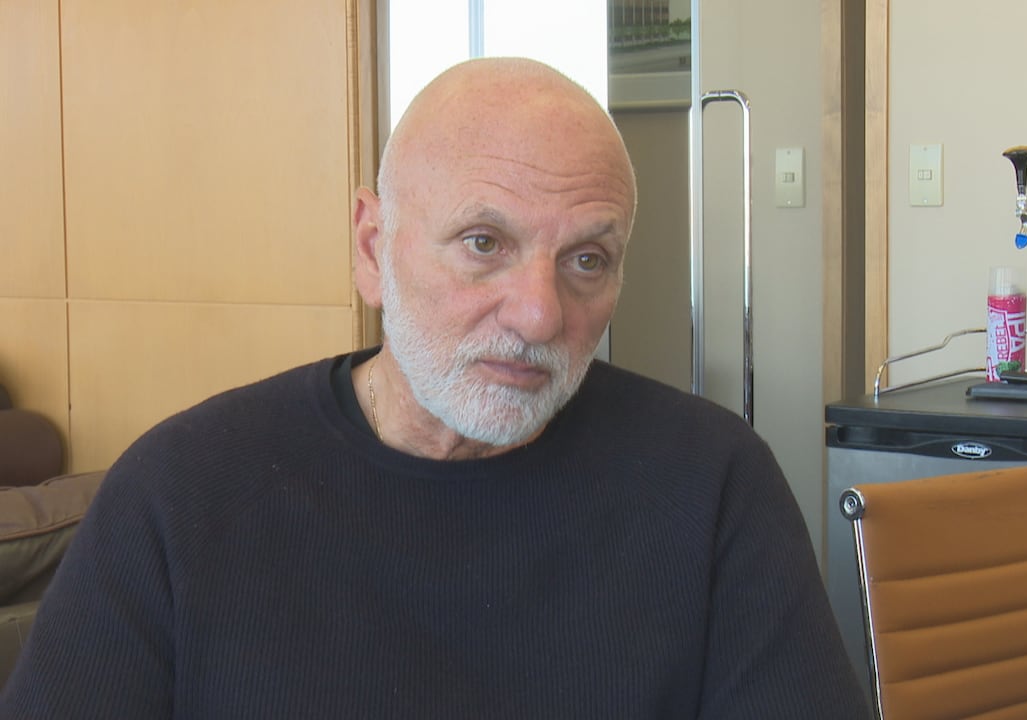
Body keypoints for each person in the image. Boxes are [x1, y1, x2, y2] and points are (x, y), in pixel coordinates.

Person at [0, 57, 866, 719]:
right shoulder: (181, 492)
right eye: (484, 243)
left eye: (586, 259)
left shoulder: (711, 484)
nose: (539, 313)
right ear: (372, 248)